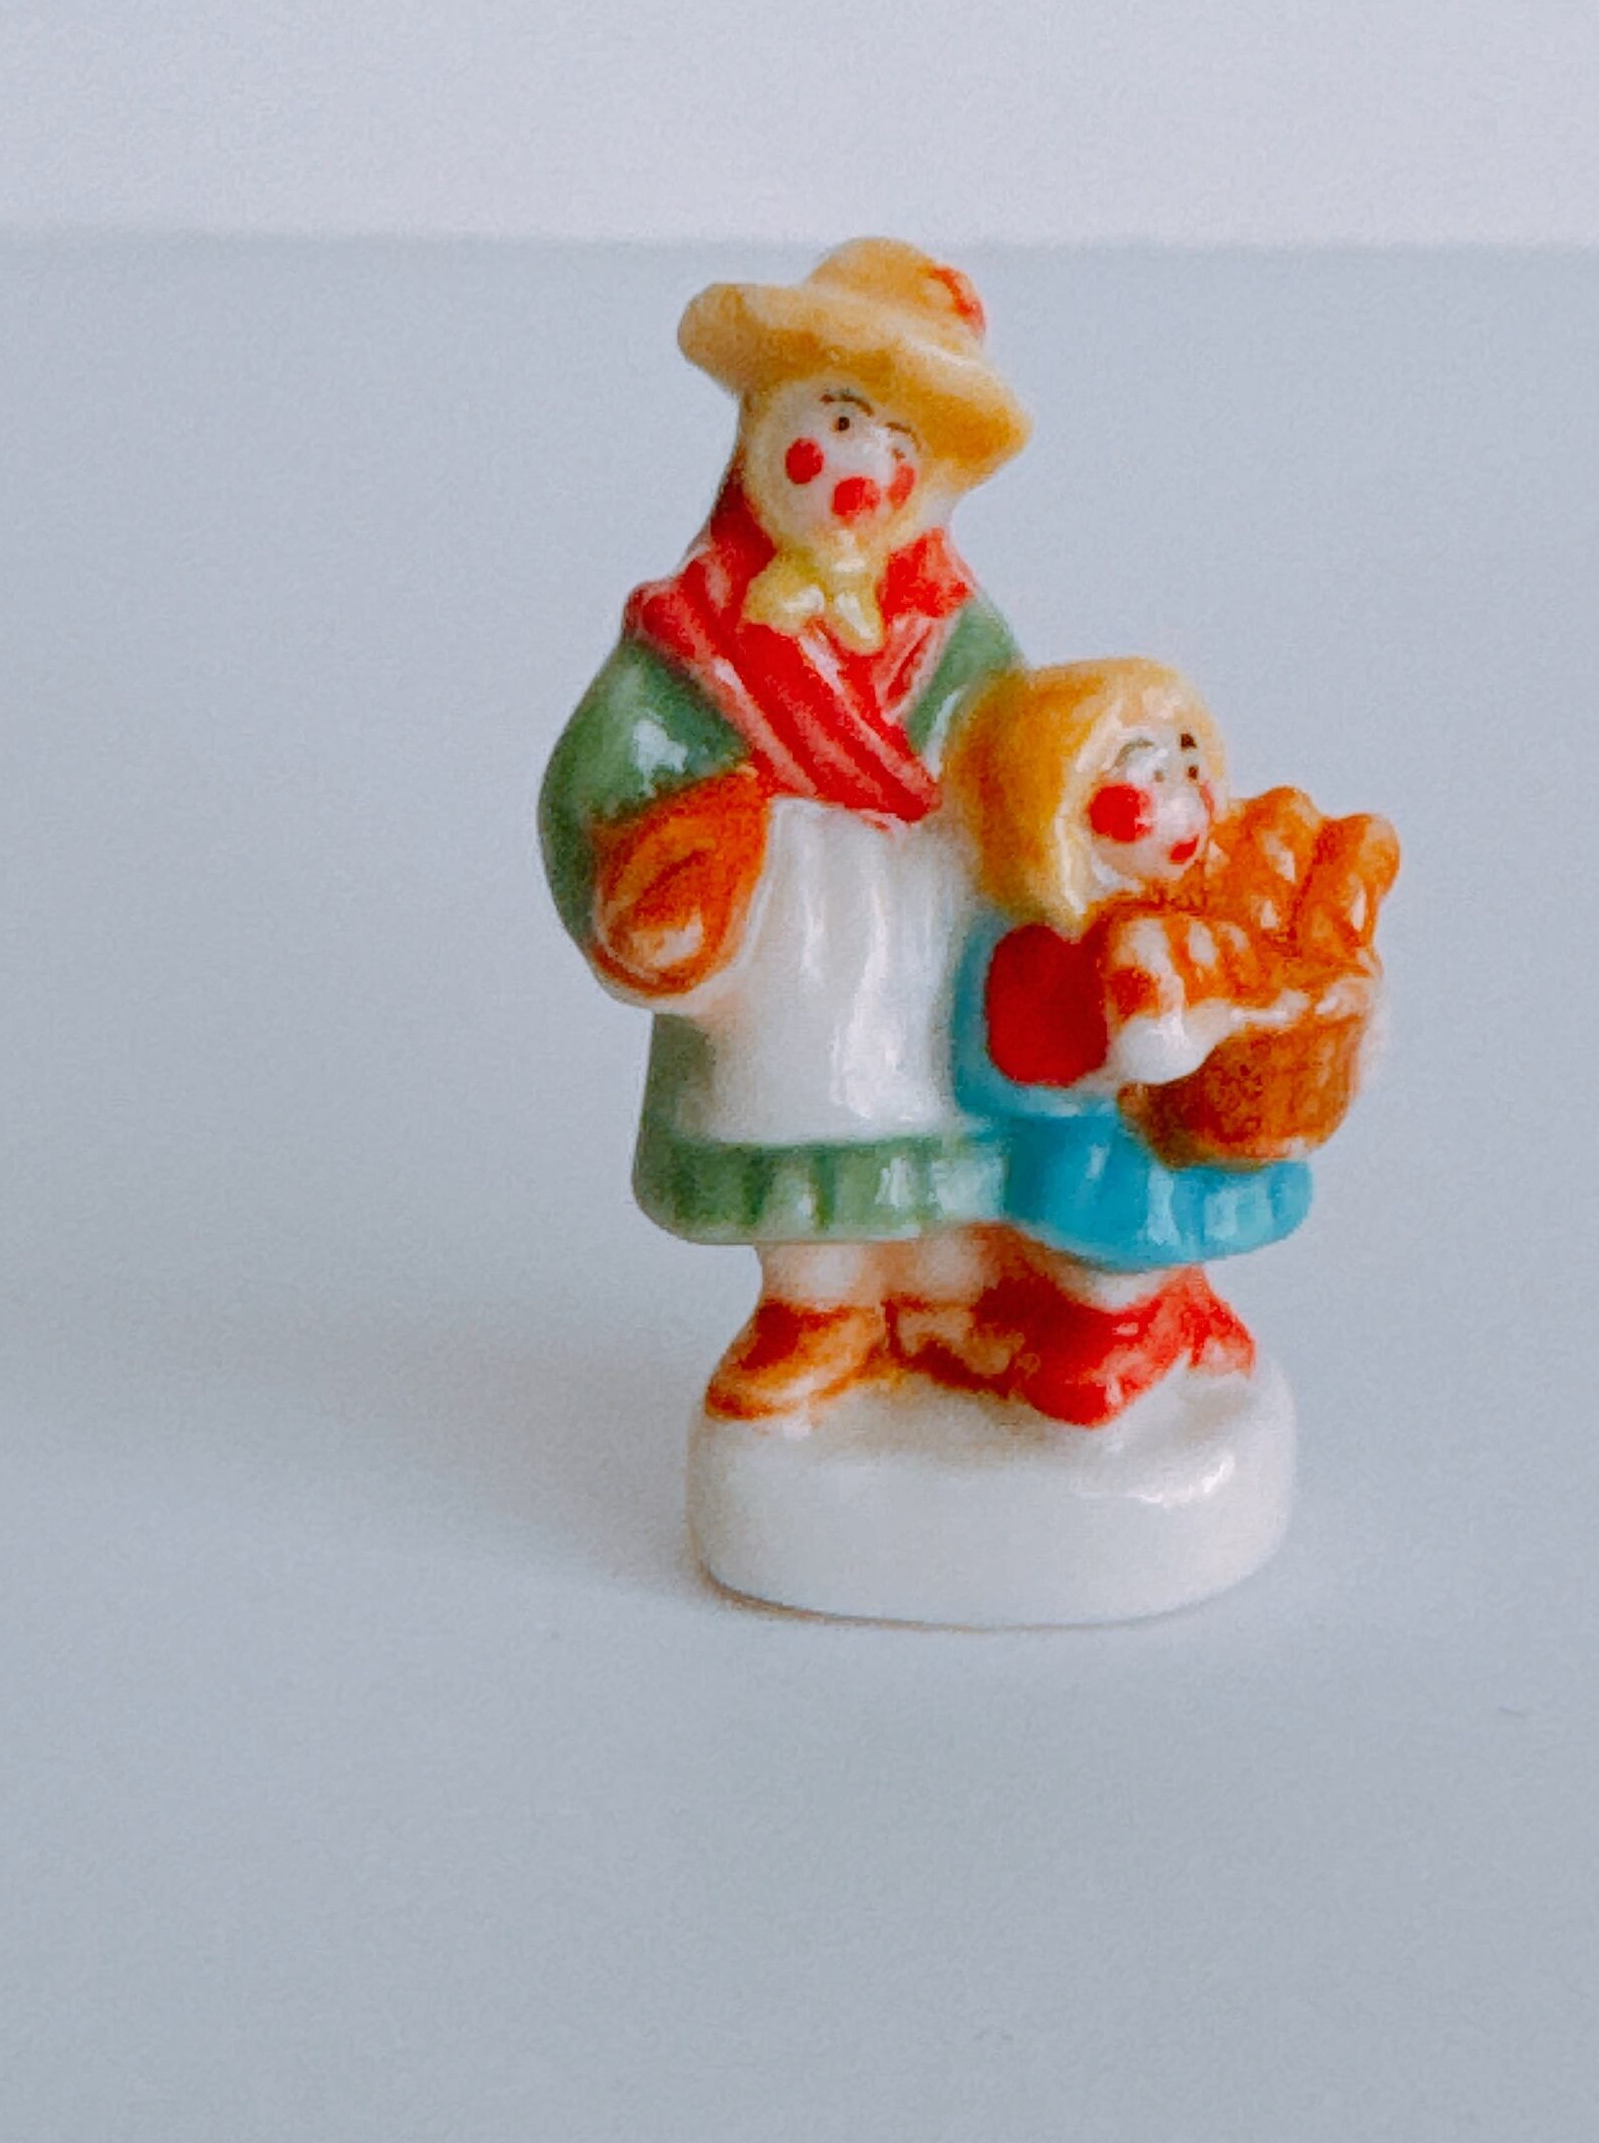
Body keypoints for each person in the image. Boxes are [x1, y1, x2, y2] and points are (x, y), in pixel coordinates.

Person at [538, 244, 1028, 1418]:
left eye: (901, 445)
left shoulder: (961, 639)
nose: (865, 468)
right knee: (795, 1123)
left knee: (938, 1111)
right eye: (841, 420)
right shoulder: (688, 638)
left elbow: (1022, 763)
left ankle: (941, 1297)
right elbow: (592, 784)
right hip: (784, 947)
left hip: (923, 933)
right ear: (766, 428)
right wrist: (641, 892)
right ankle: (816, 1309)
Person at [938, 658, 1391, 1425]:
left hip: (1186, 1132)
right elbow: (1049, 1058)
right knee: (1114, 1237)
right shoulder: (1045, 939)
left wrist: (1341, 1026)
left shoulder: (1198, 915)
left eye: (1191, 767)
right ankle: (1099, 1332)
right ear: (1056, 811)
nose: (1187, 804)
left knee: (1185, 1220)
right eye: (1149, 779)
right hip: (1088, 1146)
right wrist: (1185, 1026)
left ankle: (1175, 1306)